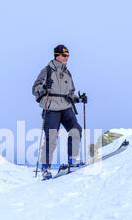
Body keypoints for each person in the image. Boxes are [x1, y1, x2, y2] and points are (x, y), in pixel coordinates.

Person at [32, 44, 88, 180]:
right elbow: (34, 89)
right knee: (51, 138)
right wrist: (44, 87)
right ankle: (46, 169)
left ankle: (72, 160)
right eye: (64, 55)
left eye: (68, 55)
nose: (67, 58)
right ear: (57, 55)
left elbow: (70, 93)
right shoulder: (47, 71)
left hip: (66, 106)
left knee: (76, 130)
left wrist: (79, 99)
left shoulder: (67, 73)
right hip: (51, 108)